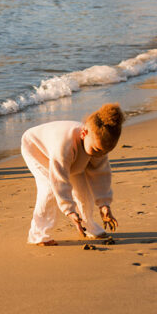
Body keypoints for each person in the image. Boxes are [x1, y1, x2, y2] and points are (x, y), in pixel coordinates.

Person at [20, 103, 124, 246]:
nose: (100, 155)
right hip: (36, 147)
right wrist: (69, 210)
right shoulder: (64, 145)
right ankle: (38, 235)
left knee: (84, 191)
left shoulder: (97, 145)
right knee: (49, 189)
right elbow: (59, 178)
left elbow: (101, 175)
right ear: (83, 133)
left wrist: (104, 204)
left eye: (105, 152)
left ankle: (88, 226)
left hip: (75, 158)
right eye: (97, 150)